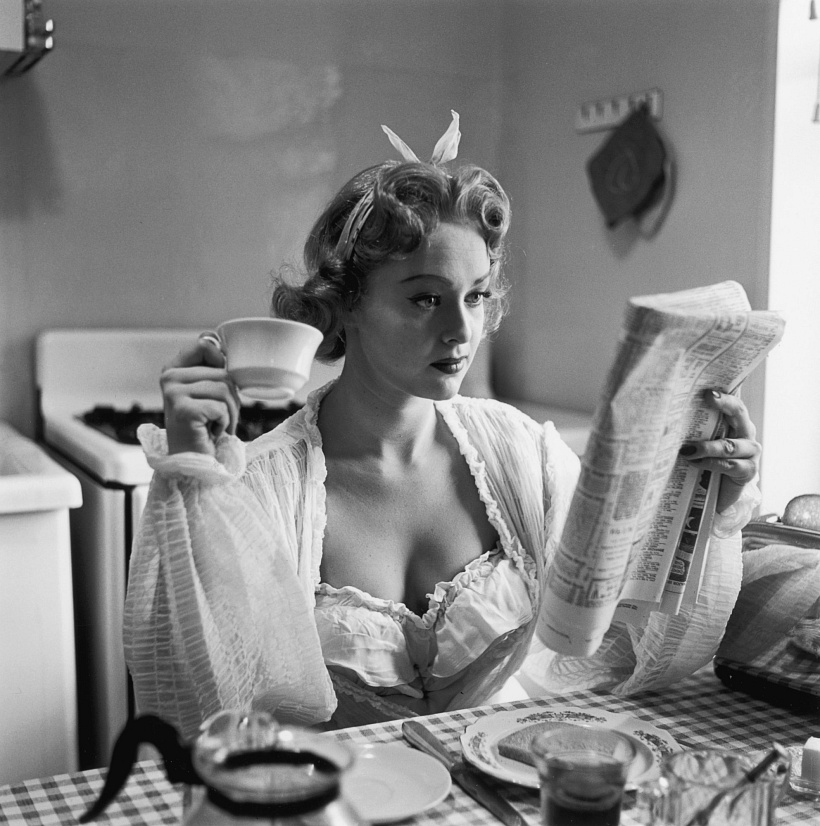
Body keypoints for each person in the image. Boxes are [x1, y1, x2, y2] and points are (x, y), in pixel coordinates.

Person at [124, 112, 761, 739]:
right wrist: (192, 477)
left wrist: (712, 504)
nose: (460, 330)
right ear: (345, 305)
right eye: (426, 298)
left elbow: (628, 638)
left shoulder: (520, 455)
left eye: (475, 295)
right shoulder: (264, 488)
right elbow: (200, 709)